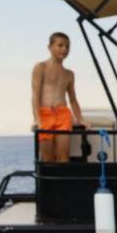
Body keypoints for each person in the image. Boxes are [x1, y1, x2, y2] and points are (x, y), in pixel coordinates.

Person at [31, 32, 87, 162]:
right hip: (44, 115)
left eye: (67, 46)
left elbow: (73, 100)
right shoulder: (40, 67)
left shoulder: (69, 74)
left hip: (63, 115)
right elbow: (35, 95)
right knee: (47, 158)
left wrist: (80, 118)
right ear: (50, 47)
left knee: (63, 157)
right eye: (60, 45)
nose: (64, 49)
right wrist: (37, 119)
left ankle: (63, 182)